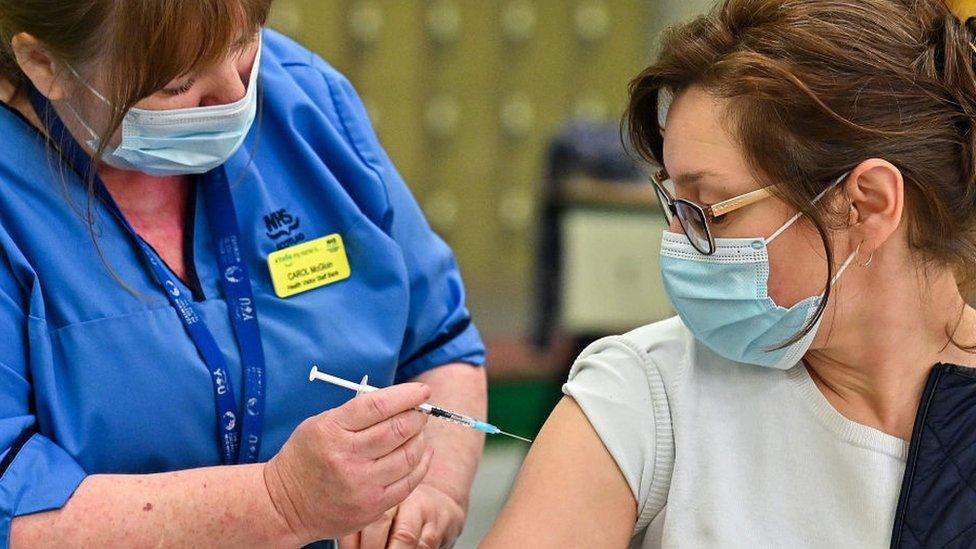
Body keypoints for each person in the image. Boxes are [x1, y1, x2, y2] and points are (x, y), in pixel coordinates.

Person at [483, 0, 976, 546]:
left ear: (866, 204)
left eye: (711, 209)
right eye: (674, 205)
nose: (676, 243)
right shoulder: (644, 395)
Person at [0, 1, 487, 547]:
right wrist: (279, 504)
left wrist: (433, 490)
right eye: (178, 83)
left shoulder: (304, 100)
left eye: (242, 44)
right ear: (43, 65)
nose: (236, 95)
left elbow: (441, 346)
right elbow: (10, 503)